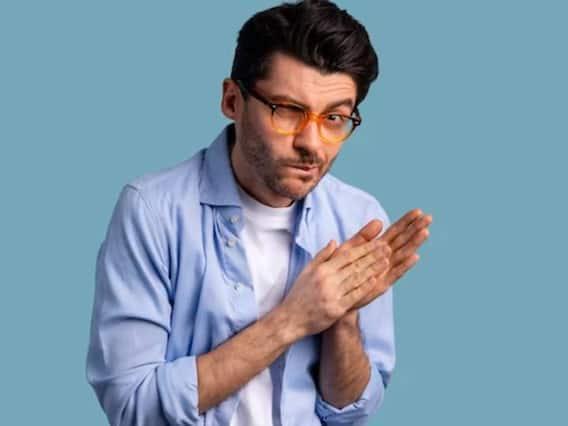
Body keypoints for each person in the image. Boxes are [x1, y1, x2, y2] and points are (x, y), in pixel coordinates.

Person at [86, 1, 432, 425]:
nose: (312, 143)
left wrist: (342, 317)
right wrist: (291, 320)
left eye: (334, 118)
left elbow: (350, 413)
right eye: (288, 111)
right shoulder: (152, 212)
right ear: (233, 100)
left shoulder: (359, 217)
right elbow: (133, 406)